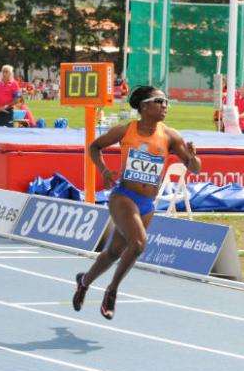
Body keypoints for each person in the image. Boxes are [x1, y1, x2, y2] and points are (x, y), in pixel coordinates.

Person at [72, 85, 201, 320]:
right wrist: (104, 171)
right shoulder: (125, 131)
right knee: (139, 244)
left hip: (147, 204)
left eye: (166, 102)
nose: (165, 106)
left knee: (113, 252)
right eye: (159, 101)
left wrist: (193, 157)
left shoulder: (171, 136)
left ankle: (84, 281)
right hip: (123, 196)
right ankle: (112, 291)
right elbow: (94, 147)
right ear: (144, 106)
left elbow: (195, 169)